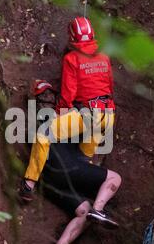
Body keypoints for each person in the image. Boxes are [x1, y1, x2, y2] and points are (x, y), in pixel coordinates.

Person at [20, 16, 115, 214]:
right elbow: (109, 86)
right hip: (108, 114)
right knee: (84, 157)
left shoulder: (72, 59)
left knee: (44, 134)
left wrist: (58, 115)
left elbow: (68, 95)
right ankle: (90, 196)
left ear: (72, 36)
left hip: (88, 114)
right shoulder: (104, 57)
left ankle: (29, 183)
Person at [42, 142, 121, 244]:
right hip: (63, 164)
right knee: (115, 178)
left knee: (85, 212)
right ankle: (98, 209)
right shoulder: (65, 123)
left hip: (46, 178)